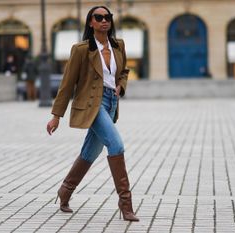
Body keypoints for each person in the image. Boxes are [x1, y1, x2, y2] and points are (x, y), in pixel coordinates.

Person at [46, 6, 138, 222]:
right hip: (91, 105)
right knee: (116, 145)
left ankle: (65, 191)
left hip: (111, 102)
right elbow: (67, 84)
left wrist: (120, 87)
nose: (104, 21)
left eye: (107, 17)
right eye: (99, 17)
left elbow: (124, 71)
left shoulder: (118, 45)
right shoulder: (81, 50)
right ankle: (126, 204)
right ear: (91, 22)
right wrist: (56, 115)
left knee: (90, 152)